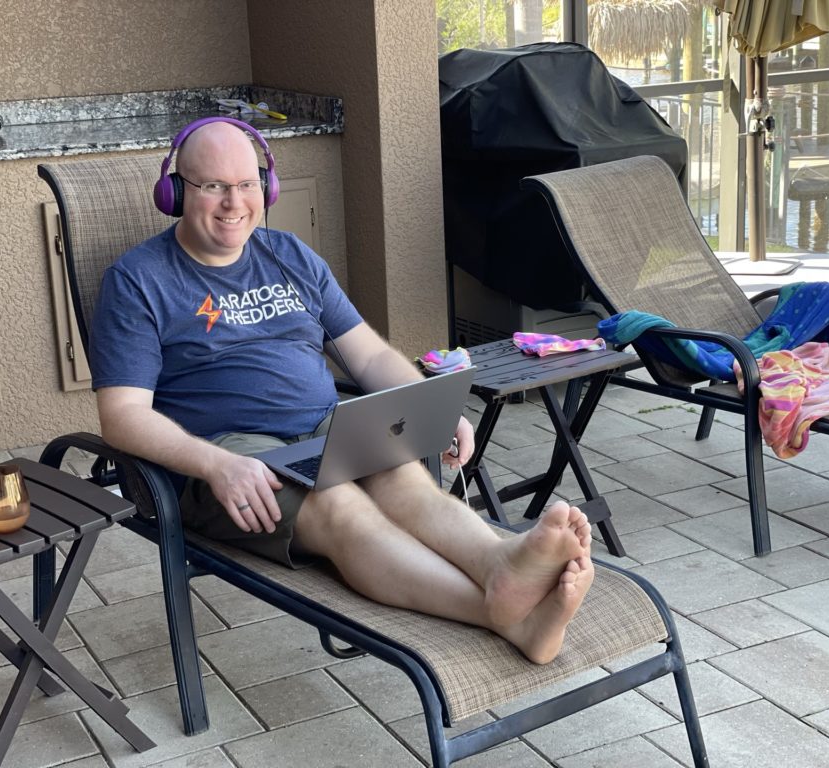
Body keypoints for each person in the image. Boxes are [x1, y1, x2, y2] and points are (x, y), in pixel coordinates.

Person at [90, 118, 594, 664]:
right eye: (212, 185)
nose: (233, 202)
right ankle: (500, 609)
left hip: (326, 428)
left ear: (268, 187)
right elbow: (122, 415)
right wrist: (215, 465)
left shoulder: (291, 256)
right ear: (175, 191)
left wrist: (431, 405)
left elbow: (370, 355)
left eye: (247, 183)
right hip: (232, 455)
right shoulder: (138, 280)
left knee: (406, 478)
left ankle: (501, 568)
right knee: (340, 506)